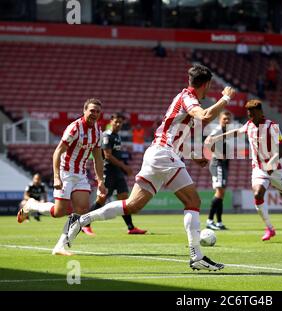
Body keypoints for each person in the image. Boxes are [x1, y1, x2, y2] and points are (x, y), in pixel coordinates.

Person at [63, 65, 235, 271]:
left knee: (133, 205)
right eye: (209, 86)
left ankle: (81, 220)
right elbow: (205, 116)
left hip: (159, 154)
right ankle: (196, 255)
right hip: (163, 154)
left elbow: (176, 135)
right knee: (193, 200)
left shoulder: (185, 98)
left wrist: (193, 155)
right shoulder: (188, 97)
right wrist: (225, 99)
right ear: (206, 84)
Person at [206, 99, 282, 241]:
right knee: (258, 194)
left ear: (260, 112)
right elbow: (235, 132)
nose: (250, 117)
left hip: (276, 168)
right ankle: (269, 228)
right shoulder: (249, 125)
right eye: (249, 114)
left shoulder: (272, 127)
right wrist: (216, 137)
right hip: (259, 169)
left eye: (252, 114)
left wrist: (272, 163)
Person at [17, 98, 107, 255]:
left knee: (82, 209)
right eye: (92, 110)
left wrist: (101, 181)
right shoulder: (74, 128)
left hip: (80, 175)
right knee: (59, 212)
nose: (95, 114)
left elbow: (98, 158)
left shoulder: (98, 132)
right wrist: (56, 177)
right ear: (84, 110)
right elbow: (58, 151)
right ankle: (31, 205)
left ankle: (60, 246)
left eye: (98, 111)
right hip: (65, 173)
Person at [82, 113, 147, 236]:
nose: (118, 124)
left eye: (120, 122)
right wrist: (124, 166)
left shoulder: (117, 136)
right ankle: (85, 224)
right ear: (111, 121)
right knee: (101, 199)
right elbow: (107, 155)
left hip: (117, 172)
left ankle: (131, 227)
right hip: (108, 171)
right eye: (116, 121)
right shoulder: (107, 135)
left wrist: (122, 167)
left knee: (124, 199)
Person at [205, 111, 233, 230]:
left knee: (221, 194)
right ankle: (209, 221)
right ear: (220, 119)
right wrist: (215, 152)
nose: (226, 121)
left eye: (228, 119)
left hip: (224, 163)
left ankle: (219, 222)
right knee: (219, 192)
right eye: (224, 119)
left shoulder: (227, 131)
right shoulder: (218, 130)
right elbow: (207, 141)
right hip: (218, 163)